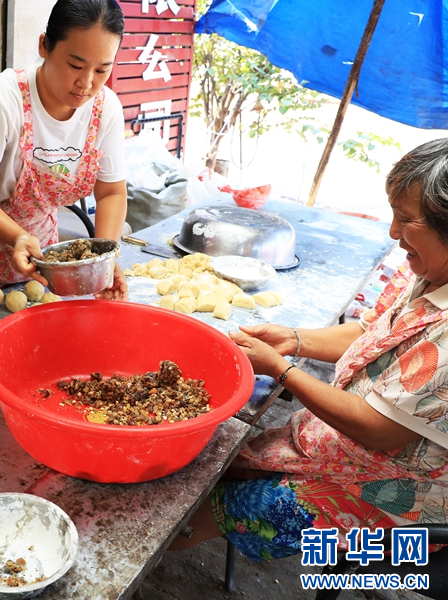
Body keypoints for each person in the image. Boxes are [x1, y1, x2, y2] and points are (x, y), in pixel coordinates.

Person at [168, 138, 448, 561]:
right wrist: (294, 340)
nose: (393, 232)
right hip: (341, 447)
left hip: (396, 496)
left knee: (230, 503)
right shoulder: (430, 272)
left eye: (406, 220)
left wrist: (281, 370)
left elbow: (380, 429)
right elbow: (371, 332)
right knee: (227, 461)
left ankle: (156, 555)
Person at [0, 0, 129, 317]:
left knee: (38, 336)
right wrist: (17, 237)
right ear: (44, 46)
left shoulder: (106, 109)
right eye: (76, 66)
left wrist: (103, 260)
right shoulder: (2, 100)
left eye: (102, 69)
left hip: (42, 248)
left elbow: (111, 191)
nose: (87, 82)